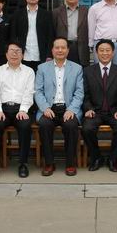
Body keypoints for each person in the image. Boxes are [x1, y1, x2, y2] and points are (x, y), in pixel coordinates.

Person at [34, 37, 84, 176]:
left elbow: (79, 92)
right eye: (57, 47)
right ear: (52, 50)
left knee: (71, 125)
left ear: (68, 50)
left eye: (63, 47)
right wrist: (45, 108)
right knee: (44, 125)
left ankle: (70, 164)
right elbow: (38, 91)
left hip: (68, 108)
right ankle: (49, 163)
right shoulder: (42, 68)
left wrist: (72, 109)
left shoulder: (77, 68)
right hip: (49, 108)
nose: (60, 50)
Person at [0, 41, 36, 179]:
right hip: (2, 109)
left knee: (25, 126)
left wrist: (23, 110)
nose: (15, 54)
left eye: (18, 51)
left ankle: (23, 164)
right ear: (6, 54)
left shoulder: (29, 71)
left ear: (23, 55)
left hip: (21, 108)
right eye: (12, 51)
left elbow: (29, 92)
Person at [81, 39, 117, 172]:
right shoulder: (88, 71)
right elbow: (84, 93)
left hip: (114, 111)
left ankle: (112, 159)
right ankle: (96, 157)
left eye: (108, 50)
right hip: (95, 111)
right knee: (87, 128)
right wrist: (88, 108)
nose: (104, 53)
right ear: (96, 53)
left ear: (113, 53)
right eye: (101, 50)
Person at [10, 0, 54, 72]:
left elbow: (50, 36)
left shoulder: (47, 14)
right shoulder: (17, 14)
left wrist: (49, 55)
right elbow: (13, 35)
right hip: (23, 56)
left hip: (41, 56)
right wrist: (15, 52)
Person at [52, 0, 90, 66]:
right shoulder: (56, 12)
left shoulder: (87, 11)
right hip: (63, 47)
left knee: (81, 71)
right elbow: (52, 32)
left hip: (81, 48)